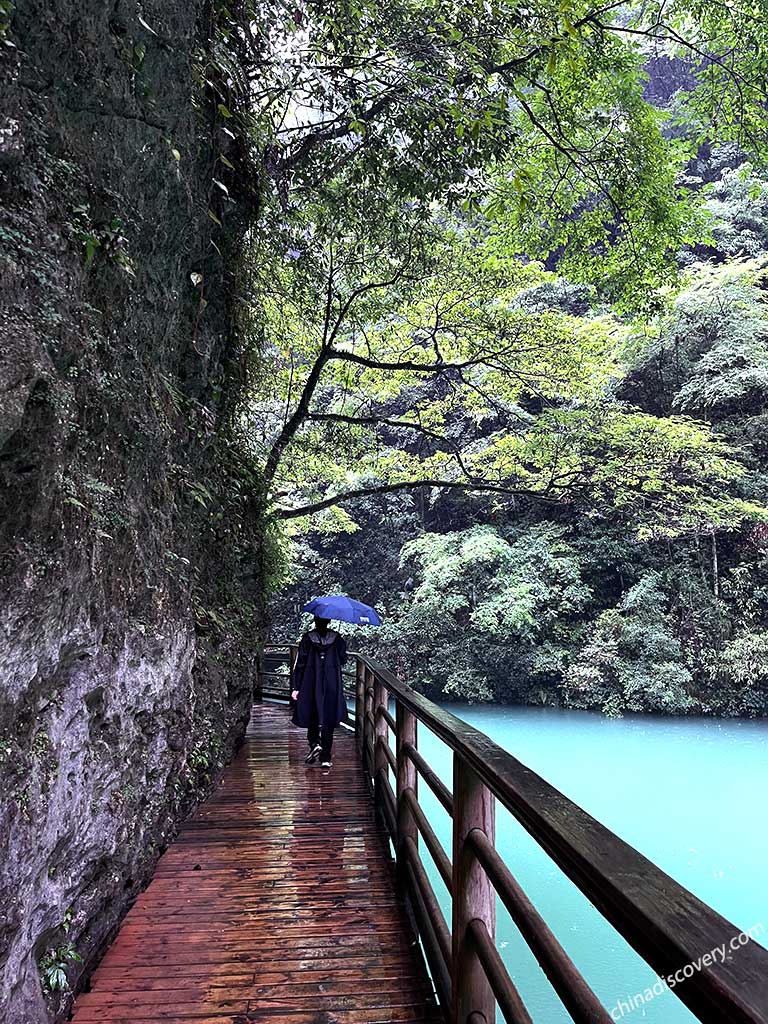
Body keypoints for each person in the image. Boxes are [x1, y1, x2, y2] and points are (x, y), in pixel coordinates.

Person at [291, 615, 348, 768]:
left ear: (315, 622)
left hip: (311, 681)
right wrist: (340, 645)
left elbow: (300, 663)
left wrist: (296, 686)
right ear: (329, 621)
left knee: (312, 712)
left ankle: (315, 742)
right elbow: (343, 659)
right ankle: (326, 758)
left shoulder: (307, 638)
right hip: (331, 682)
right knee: (328, 716)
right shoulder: (337, 639)